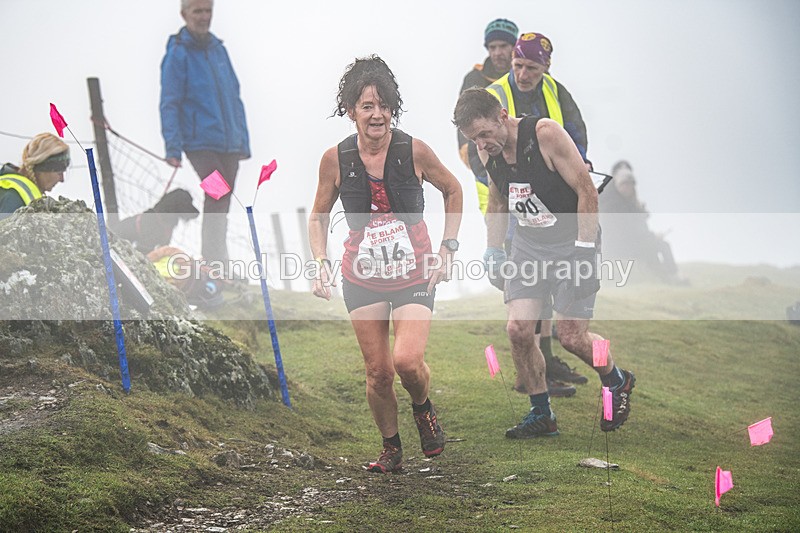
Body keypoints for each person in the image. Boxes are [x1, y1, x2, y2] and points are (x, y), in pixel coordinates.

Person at [309, 56, 463, 473]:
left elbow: (453, 189)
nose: (377, 115)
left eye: (383, 105)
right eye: (366, 106)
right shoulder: (335, 159)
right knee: (378, 372)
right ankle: (391, 449)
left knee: (407, 362)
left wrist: (448, 247)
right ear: (350, 111)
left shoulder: (413, 150)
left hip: (414, 271)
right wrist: (320, 262)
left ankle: (423, 407)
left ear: (392, 108)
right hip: (361, 276)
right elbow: (319, 215)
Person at [453, 88, 636, 438]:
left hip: (573, 241)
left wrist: (584, 249)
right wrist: (494, 251)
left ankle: (616, 379)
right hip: (529, 246)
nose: (481, 143)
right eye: (473, 138)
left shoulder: (545, 135)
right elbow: (496, 202)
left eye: (485, 134)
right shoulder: (487, 151)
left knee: (572, 336)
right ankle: (542, 413)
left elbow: (587, 190)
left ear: (502, 115)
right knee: (518, 330)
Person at [487, 31, 593, 390]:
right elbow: (477, 146)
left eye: (531, 67)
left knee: (548, 295)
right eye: (518, 65)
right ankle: (530, 374)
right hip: (513, 202)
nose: (522, 74)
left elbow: (577, 137)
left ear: (546, 66)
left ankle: (544, 362)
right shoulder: (497, 94)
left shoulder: (557, 93)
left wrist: (575, 169)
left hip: (555, 205)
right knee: (524, 296)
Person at [159, 0, 250, 266]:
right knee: (218, 191)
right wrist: (172, 147)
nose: (203, 17)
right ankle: (214, 262)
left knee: (222, 197)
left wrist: (242, 142)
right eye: (197, 11)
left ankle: (218, 262)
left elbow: (234, 95)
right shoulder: (177, 53)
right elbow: (169, 101)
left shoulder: (219, 49)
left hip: (229, 143)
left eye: (207, 11)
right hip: (198, 144)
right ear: (184, 14)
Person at [457, 18, 518, 216]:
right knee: (498, 237)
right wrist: (483, 172)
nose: (498, 52)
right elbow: (464, 126)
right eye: (493, 47)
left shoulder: (529, 75)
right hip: (488, 167)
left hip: (525, 161)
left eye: (503, 46)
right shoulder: (474, 79)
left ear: (514, 46)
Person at [599, 161, 684, 284]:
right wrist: (652, 236)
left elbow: (636, 227)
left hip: (624, 244)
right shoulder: (614, 204)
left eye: (629, 184)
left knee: (652, 250)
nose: (627, 188)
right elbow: (629, 230)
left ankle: (667, 279)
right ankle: (672, 276)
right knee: (662, 246)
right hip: (619, 246)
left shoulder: (619, 200)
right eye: (624, 184)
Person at [0, 133, 69, 221]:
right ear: (42, 167)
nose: (62, 179)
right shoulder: (13, 197)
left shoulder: (18, 189)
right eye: (59, 172)